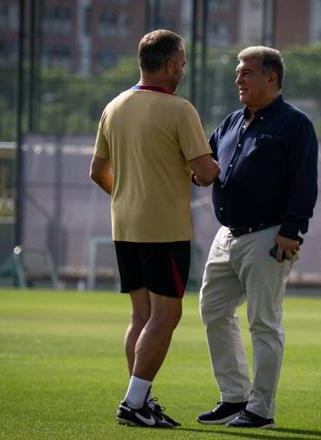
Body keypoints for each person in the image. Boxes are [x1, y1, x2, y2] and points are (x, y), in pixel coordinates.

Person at [89, 29, 219, 429]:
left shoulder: (114, 106)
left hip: (124, 226)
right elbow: (204, 173)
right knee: (166, 316)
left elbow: (97, 172)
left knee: (141, 316)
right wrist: (214, 167)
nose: (184, 68)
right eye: (182, 62)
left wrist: (128, 196)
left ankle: (141, 401)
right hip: (164, 229)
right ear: (169, 65)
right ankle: (133, 403)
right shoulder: (180, 109)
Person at [196, 46, 318, 429]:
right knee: (213, 310)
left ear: (272, 77)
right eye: (238, 71)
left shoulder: (295, 124)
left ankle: (261, 410)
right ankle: (235, 397)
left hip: (269, 235)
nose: (239, 78)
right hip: (227, 236)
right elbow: (205, 163)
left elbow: (304, 182)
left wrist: (291, 231)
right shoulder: (232, 121)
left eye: (247, 72)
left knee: (264, 323)